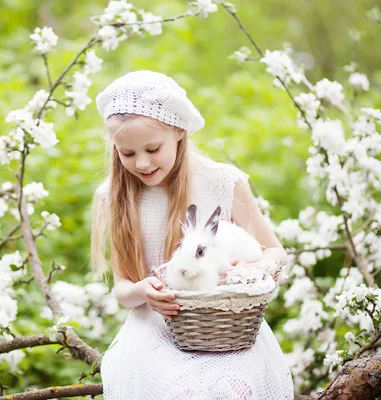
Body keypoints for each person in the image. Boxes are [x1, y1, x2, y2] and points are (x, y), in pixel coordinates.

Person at [90, 70, 294, 399]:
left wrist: (250, 271)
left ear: (179, 131)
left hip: (226, 327)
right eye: (127, 154)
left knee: (232, 388)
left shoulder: (222, 183)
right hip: (155, 330)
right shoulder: (116, 197)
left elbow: (275, 252)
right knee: (178, 390)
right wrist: (145, 290)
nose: (141, 163)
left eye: (153, 149)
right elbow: (124, 289)